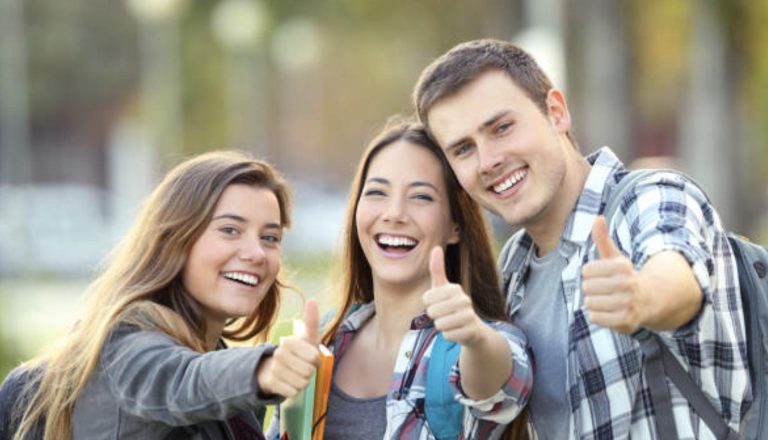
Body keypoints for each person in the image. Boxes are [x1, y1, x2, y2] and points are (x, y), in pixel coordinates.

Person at [412, 39, 751, 439]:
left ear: (556, 113)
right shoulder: (514, 271)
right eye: (464, 149)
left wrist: (641, 297)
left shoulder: (649, 196)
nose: (488, 161)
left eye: (502, 128)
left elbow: (677, 275)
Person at [0, 151, 321, 440]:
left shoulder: (214, 359)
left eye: (270, 237)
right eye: (229, 230)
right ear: (174, 240)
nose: (256, 253)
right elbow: (181, 379)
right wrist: (263, 370)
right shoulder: (126, 345)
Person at [270, 119, 532, 439]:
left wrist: (474, 338)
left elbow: (501, 384)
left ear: (456, 225)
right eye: (377, 192)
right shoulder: (322, 343)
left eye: (421, 197)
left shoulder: (480, 342)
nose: (394, 213)